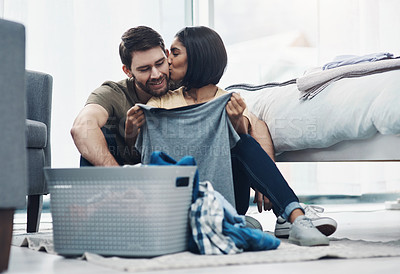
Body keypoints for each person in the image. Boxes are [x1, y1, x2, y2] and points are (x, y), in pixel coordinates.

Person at [126, 26, 331, 246]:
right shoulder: (158, 104)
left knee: (244, 143)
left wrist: (235, 121)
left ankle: (296, 217)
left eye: (174, 54)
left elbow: (247, 145)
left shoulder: (228, 101)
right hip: (181, 198)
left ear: (196, 58)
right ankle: (237, 221)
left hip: (226, 193)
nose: (168, 61)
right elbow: (145, 152)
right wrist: (132, 130)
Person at [71, 26, 170, 166]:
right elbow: (81, 128)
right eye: (144, 69)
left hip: (174, 171)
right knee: (98, 134)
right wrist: (119, 178)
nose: (156, 75)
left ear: (167, 55)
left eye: (160, 63)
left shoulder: (184, 85)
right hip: (122, 176)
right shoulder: (113, 93)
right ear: (127, 71)